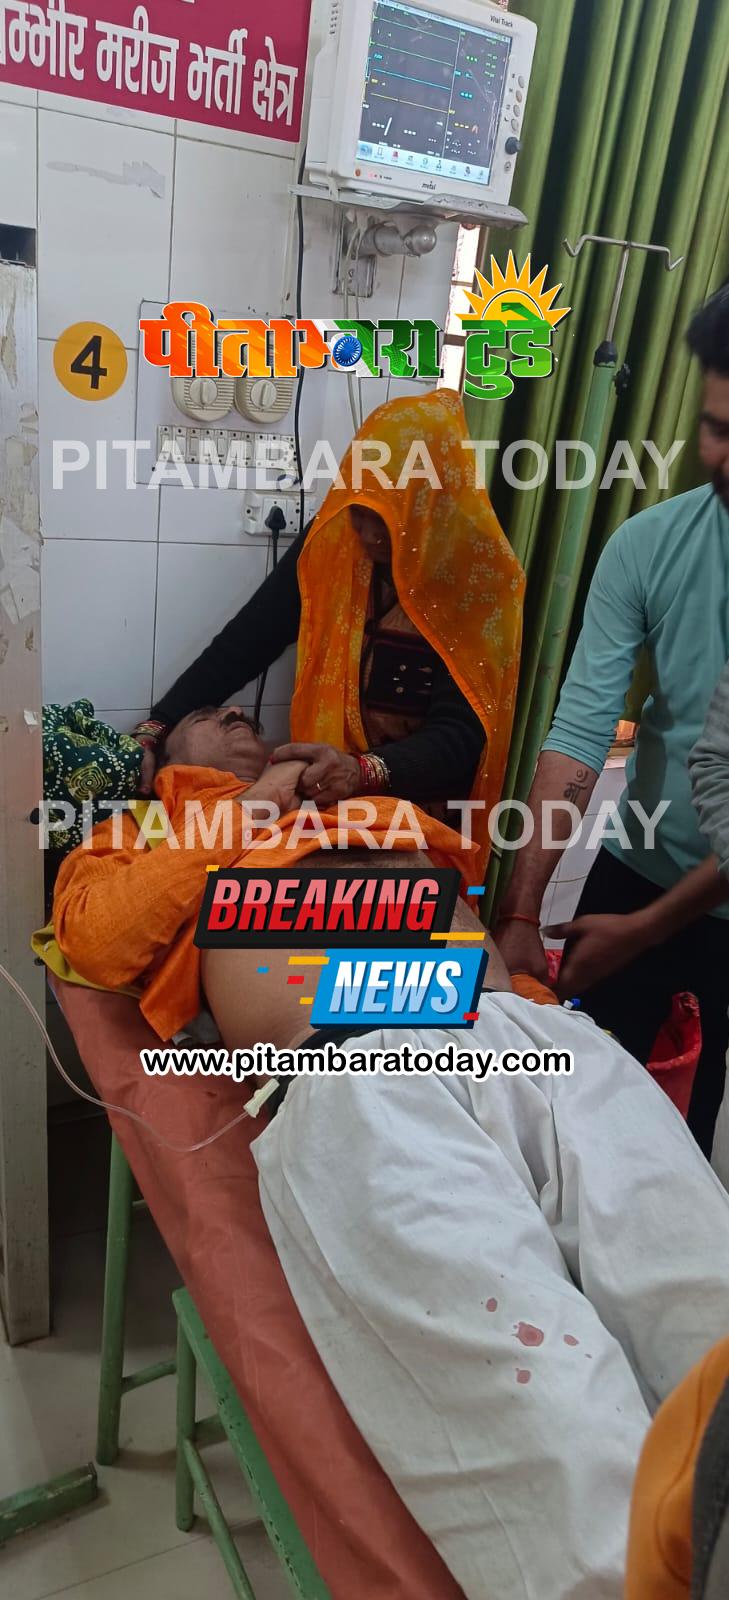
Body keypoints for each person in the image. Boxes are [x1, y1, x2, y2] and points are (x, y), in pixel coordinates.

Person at [495, 283, 729, 1155]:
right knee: (577, 1098)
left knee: (679, 1120)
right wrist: (522, 911)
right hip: (641, 865)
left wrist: (646, 933)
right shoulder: (649, 545)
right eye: (719, 429)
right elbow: (580, 728)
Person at [134, 390, 525, 878]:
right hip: (322, 802)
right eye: (361, 511)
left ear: (431, 506)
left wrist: (362, 772)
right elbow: (244, 644)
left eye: (386, 519)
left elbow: (461, 739)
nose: (369, 536)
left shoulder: (477, 585)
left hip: (417, 819)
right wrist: (156, 726)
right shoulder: (333, 545)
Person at [51, 705, 484, 1041]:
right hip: (345, 1050)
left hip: (491, 1018)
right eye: (206, 716)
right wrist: (254, 806)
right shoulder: (142, 828)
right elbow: (95, 941)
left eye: (248, 721)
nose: (237, 711)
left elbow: (462, 897)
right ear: (165, 762)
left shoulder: (340, 796)